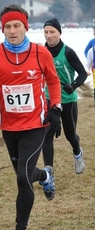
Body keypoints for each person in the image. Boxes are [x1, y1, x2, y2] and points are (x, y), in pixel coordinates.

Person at [0, 4, 62, 230]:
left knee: (23, 178)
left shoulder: (39, 53)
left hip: (36, 125)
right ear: (2, 29)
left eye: (17, 26)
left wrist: (55, 109)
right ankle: (45, 175)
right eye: (7, 27)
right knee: (23, 174)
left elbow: (54, 81)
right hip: (9, 128)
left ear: (26, 26)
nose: (12, 31)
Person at [42, 18, 87, 174]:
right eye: (46, 32)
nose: (49, 36)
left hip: (68, 100)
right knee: (47, 135)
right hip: (49, 99)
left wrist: (73, 85)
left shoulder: (68, 52)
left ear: (59, 33)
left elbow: (82, 73)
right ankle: (48, 172)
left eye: (52, 32)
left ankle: (77, 153)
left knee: (70, 135)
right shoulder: (41, 52)